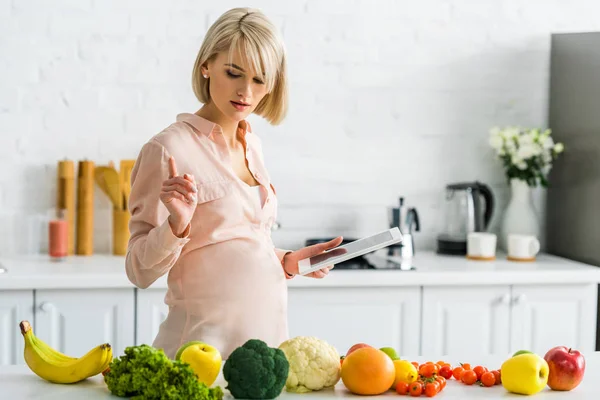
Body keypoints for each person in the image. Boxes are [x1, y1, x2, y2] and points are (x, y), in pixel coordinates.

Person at [125, 7, 343, 360]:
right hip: (198, 355)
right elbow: (138, 269)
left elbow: (231, 242)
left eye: (259, 79)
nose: (246, 91)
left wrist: (286, 261)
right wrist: (176, 226)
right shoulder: (167, 149)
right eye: (233, 72)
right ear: (206, 65)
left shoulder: (252, 145)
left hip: (264, 347)